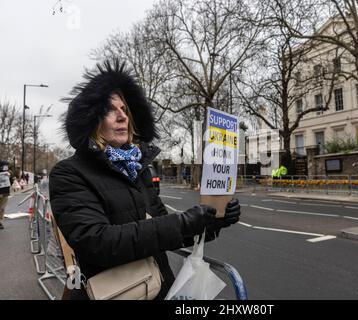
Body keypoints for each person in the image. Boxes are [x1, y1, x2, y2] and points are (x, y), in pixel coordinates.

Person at [49, 60, 241, 300]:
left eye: (125, 110)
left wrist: (212, 220)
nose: (122, 117)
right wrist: (181, 223)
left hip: (159, 289)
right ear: (91, 121)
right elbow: (97, 242)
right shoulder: (68, 173)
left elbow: (164, 229)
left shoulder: (138, 169)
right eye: (110, 110)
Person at [0, 160, 12, 230]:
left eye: (6, 166)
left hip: (5, 192)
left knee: (2, 208)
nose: (5, 167)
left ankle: (0, 222)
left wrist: (10, 176)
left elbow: (12, 181)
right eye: (4, 166)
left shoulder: (8, 173)